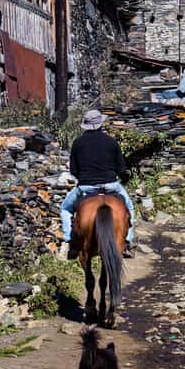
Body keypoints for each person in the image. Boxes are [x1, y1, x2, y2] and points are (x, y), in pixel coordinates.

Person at [60, 109, 137, 259]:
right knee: (130, 208)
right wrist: (121, 176)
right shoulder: (111, 141)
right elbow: (121, 168)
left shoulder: (78, 143)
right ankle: (127, 242)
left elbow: (73, 170)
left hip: (86, 187)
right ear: (101, 123)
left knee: (65, 209)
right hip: (111, 185)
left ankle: (70, 241)